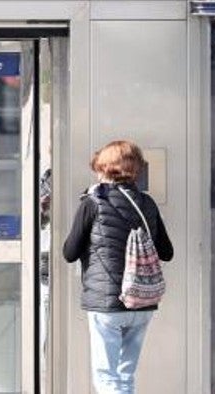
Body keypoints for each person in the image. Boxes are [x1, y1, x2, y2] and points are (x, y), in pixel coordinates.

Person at [62, 140, 174, 394]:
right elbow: (167, 252)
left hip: (107, 303)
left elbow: (69, 253)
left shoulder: (92, 203)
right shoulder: (148, 204)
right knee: (125, 376)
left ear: (104, 168)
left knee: (107, 377)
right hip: (143, 301)